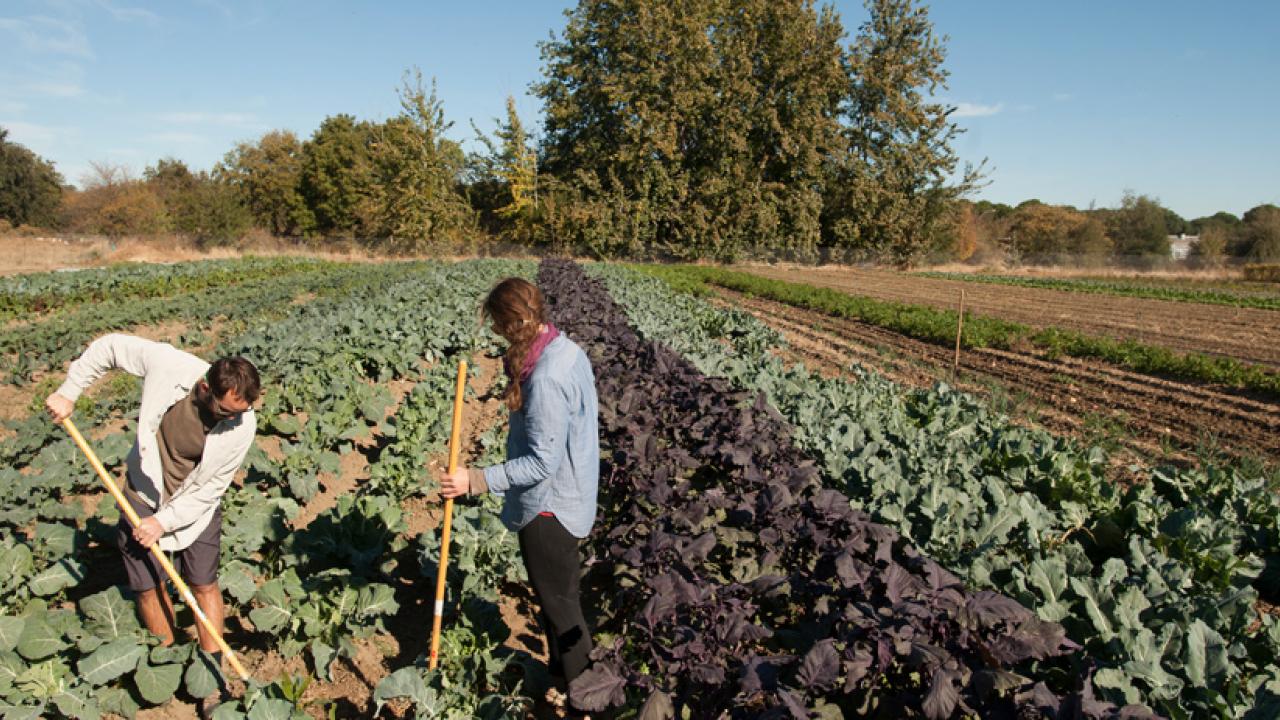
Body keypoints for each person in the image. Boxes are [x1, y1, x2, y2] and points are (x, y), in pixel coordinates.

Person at [45, 333, 259, 718]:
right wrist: (69, 391)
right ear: (205, 387)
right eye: (227, 411)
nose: (234, 419)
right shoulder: (168, 365)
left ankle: (213, 679)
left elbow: (210, 489)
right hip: (143, 493)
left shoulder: (242, 425)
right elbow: (109, 347)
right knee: (148, 586)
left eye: (240, 412)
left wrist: (163, 522)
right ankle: (167, 656)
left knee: (203, 584)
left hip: (194, 509)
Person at [439, 277, 599, 715]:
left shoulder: (545, 378)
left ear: (510, 324)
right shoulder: (566, 350)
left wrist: (474, 479)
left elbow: (541, 463)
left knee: (563, 612)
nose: (495, 334)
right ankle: (562, 683)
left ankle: (587, 699)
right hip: (574, 495)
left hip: (551, 510)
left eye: (496, 326)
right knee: (556, 603)